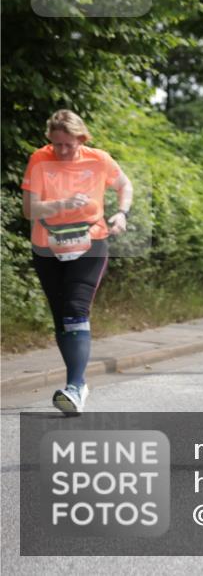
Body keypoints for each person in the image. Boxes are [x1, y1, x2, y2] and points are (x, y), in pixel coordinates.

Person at [22, 110, 133, 415]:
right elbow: (29, 210)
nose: (62, 151)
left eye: (68, 145)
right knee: (61, 318)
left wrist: (122, 213)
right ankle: (78, 385)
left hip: (90, 243)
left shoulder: (98, 159)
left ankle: (74, 386)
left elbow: (126, 185)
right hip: (48, 248)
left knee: (75, 309)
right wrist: (61, 204)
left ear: (81, 138)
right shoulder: (39, 160)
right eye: (57, 145)